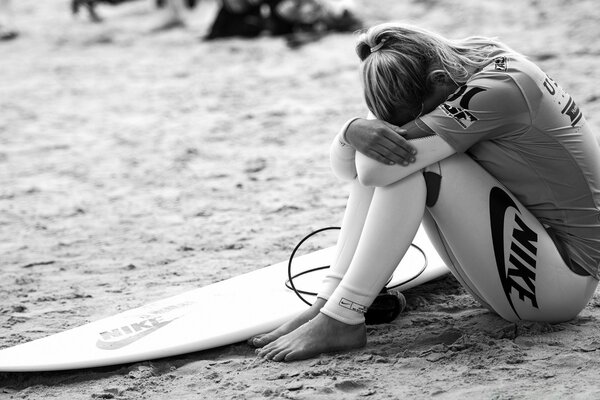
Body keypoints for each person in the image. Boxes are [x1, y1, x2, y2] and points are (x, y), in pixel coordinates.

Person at [249, 22, 600, 362]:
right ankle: (327, 306)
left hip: (561, 284)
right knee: (393, 156)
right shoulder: (460, 60)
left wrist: (359, 136)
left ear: (438, 82)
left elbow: (368, 171)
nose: (403, 127)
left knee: (412, 166)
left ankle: (344, 316)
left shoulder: (499, 90)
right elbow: (353, 171)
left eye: (411, 118)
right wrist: (353, 130)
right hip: (530, 270)